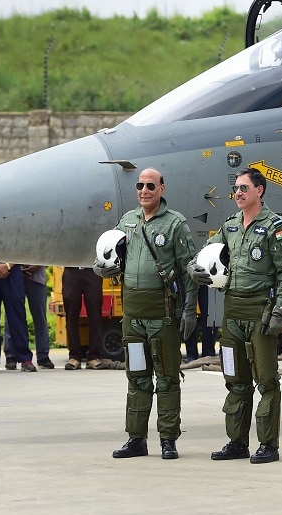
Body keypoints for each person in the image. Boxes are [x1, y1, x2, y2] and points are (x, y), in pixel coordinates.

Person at [188, 167, 282, 464]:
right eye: (236, 188)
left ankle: (268, 446)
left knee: (266, 381)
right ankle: (237, 443)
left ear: (259, 191)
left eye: (243, 188)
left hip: (260, 311)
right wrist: (193, 267)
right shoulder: (230, 225)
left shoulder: (273, 226)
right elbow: (205, 253)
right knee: (235, 379)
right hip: (232, 310)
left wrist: (280, 312)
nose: (237, 193)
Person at [94, 167, 197, 460]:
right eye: (140, 185)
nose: (144, 190)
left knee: (166, 378)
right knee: (137, 377)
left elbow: (190, 270)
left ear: (162, 188)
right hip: (133, 319)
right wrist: (99, 268)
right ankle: (136, 439)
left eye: (150, 185)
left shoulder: (175, 224)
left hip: (162, 316)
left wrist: (190, 310)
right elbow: (105, 256)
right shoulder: (127, 222)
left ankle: (168, 439)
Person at [0, 260, 36, 372]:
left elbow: (21, 245)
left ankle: (25, 358)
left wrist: (8, 266)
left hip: (13, 269)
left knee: (17, 314)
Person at [4, 265, 54, 369]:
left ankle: (43, 354)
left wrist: (35, 266)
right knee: (12, 315)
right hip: (13, 272)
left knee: (39, 316)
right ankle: (10, 355)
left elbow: (45, 251)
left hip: (37, 275)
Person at [62, 267, 107, 370]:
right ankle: (74, 356)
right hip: (71, 268)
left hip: (92, 268)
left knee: (95, 314)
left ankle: (94, 356)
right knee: (71, 315)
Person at [183, 284, 217, 361]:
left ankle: (208, 354)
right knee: (189, 314)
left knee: (210, 315)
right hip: (188, 276)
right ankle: (191, 354)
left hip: (209, 277)